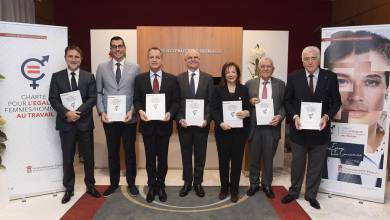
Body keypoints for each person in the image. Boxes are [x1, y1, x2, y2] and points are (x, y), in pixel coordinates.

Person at [323, 30, 389, 187]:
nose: (355, 95)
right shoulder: (317, 151)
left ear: (387, 89)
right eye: (341, 81)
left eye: (371, 82)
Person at [282, 46, 341, 209]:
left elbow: (336, 102)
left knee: (316, 166)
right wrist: (294, 116)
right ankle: (294, 192)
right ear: (302, 61)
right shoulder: (294, 77)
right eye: (306, 59)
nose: (310, 61)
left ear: (319, 59)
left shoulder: (330, 77)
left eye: (313, 58)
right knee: (297, 164)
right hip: (299, 131)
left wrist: (326, 116)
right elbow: (287, 101)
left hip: (320, 132)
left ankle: (311, 194)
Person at [49, 45, 101, 204]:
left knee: (89, 157)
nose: (73, 59)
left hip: (84, 123)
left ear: (81, 59)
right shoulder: (56, 77)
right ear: (66, 58)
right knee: (67, 157)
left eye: (76, 57)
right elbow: (53, 99)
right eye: (70, 56)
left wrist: (76, 113)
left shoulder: (88, 76)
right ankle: (69, 188)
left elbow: (92, 98)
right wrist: (67, 113)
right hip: (66, 124)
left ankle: (90, 185)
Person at [133, 47, 180, 203]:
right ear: (148, 59)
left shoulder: (172, 79)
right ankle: (152, 186)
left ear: (162, 59)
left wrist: (170, 114)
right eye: (151, 57)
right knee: (150, 159)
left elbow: (176, 101)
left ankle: (161, 186)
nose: (154, 59)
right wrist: (140, 111)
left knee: (163, 159)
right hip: (147, 126)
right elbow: (136, 100)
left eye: (157, 57)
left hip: (164, 126)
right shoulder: (139, 79)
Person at [96, 36, 140, 197]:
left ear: (125, 48)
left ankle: (132, 183)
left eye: (120, 46)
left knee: (129, 151)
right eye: (114, 46)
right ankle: (113, 183)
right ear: (110, 49)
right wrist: (101, 112)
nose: (117, 49)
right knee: (113, 152)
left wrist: (133, 110)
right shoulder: (101, 67)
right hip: (110, 118)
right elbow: (99, 92)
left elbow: (138, 93)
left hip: (129, 117)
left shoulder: (135, 67)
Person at [245, 57, 285, 198]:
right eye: (263, 66)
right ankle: (254, 184)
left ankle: (267, 184)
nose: (266, 69)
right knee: (254, 158)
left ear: (273, 69)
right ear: (259, 68)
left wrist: (279, 117)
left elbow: (284, 106)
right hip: (254, 128)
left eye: (269, 66)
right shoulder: (249, 84)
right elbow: (244, 104)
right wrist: (249, 101)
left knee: (268, 159)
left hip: (271, 128)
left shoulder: (280, 84)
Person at [176, 49, 214, 197]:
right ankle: (187, 182)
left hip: (201, 125)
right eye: (190, 57)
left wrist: (207, 119)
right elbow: (177, 102)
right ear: (185, 60)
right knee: (185, 155)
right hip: (184, 125)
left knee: (200, 155)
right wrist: (179, 118)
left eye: (196, 57)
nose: (193, 59)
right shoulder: (178, 79)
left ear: (199, 60)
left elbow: (211, 102)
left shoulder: (208, 79)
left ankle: (198, 182)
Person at [211, 62, 250, 203]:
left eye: (234, 72)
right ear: (224, 74)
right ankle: (224, 188)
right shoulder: (217, 90)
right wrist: (220, 122)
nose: (231, 74)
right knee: (223, 162)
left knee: (237, 162)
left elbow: (248, 108)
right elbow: (213, 109)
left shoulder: (244, 90)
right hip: (223, 132)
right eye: (228, 72)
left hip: (240, 133)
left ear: (238, 74)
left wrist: (246, 112)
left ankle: (234, 190)